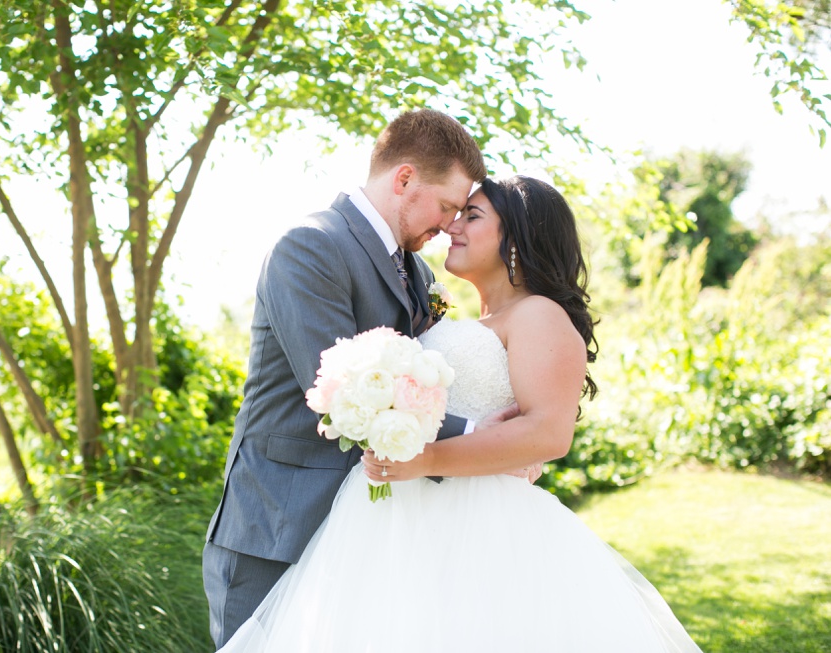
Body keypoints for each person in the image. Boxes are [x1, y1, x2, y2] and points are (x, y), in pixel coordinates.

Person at [216, 176, 704, 652]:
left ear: (517, 238)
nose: (453, 226)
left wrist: (426, 460)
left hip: (476, 526)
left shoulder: (539, 315)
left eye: (472, 215)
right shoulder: (471, 317)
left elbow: (550, 434)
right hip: (395, 521)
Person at [202, 110, 515, 650]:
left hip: (369, 534)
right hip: (278, 526)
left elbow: (426, 379)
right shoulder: (310, 246)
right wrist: (479, 437)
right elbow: (347, 393)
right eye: (445, 206)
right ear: (404, 179)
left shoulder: (417, 273)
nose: (448, 225)